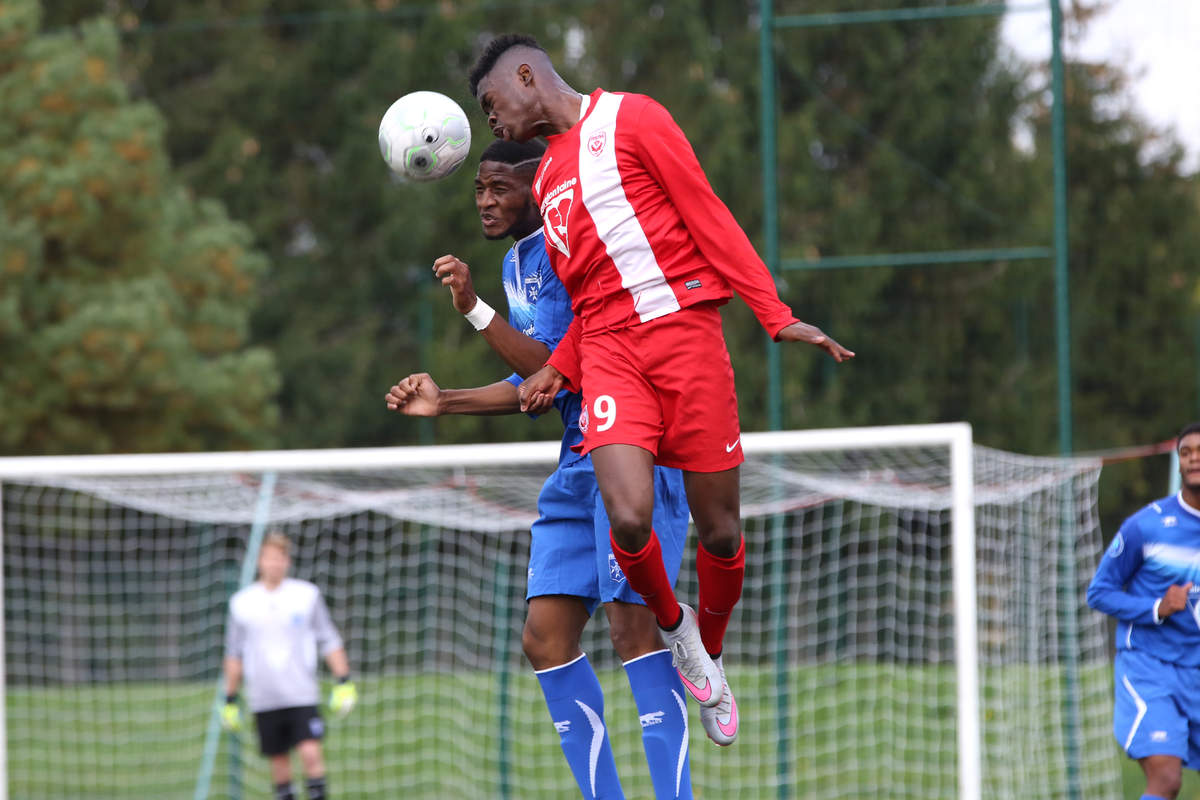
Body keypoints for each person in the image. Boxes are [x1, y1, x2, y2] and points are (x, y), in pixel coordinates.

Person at [466, 33, 855, 745]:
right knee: (630, 517)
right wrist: (563, 366)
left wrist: (775, 314)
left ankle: (710, 653)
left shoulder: (636, 119)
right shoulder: (547, 176)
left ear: (526, 76)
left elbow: (709, 216)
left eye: (492, 102)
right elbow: (588, 298)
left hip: (687, 338)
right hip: (613, 353)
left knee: (721, 530)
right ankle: (676, 631)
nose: (490, 121)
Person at [386, 139, 695, 800]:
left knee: (630, 628)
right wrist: (448, 401)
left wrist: (473, 310)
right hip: (576, 464)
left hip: (631, 454)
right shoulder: (514, 262)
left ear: (536, 187)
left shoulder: (569, 251)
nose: (485, 202)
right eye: (479, 190)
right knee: (544, 638)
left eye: (500, 188)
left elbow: (558, 361)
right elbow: (541, 374)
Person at [1087, 422, 1200, 800]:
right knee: (1167, 781)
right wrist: (1157, 607)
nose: (1193, 458)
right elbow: (1099, 593)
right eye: (1186, 452)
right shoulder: (1146, 525)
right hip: (1149, 668)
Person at [221, 532, 358, 800]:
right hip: (264, 698)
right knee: (280, 766)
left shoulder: (306, 595)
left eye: (280, 557)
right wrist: (229, 699)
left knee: (310, 755)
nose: (275, 563)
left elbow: (328, 639)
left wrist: (344, 681)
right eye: (269, 558)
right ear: (259, 561)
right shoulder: (242, 603)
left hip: (301, 693)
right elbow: (234, 654)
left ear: (287, 561)